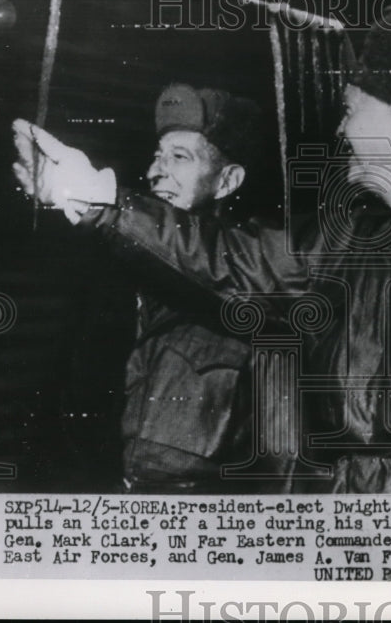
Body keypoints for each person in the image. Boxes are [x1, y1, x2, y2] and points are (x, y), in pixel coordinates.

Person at [13, 7, 391, 493]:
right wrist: (98, 198)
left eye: (350, 111)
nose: (339, 132)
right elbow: (228, 261)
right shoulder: (346, 238)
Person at [51, 82, 265, 493]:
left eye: (179, 157)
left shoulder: (255, 295)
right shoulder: (111, 277)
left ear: (227, 181)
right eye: (157, 156)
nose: (155, 172)